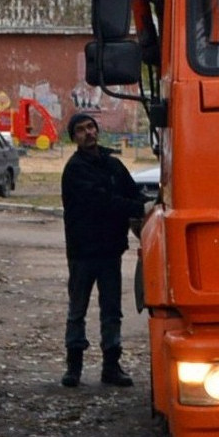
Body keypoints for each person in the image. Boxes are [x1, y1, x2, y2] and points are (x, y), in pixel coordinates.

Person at [59, 111, 147, 388]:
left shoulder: (113, 165)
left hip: (110, 251)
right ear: (74, 138)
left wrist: (150, 204)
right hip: (83, 252)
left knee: (112, 311)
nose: (89, 133)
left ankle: (112, 366)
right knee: (78, 310)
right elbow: (101, 201)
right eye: (82, 130)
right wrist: (138, 208)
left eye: (91, 127)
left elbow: (132, 193)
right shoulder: (75, 170)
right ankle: (74, 367)